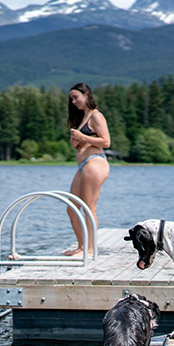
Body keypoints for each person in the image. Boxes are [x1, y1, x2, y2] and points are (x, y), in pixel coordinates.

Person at [65, 83, 111, 257]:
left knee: (88, 207)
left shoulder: (96, 116)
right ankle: (82, 246)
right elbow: (87, 141)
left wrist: (82, 137)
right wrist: (77, 143)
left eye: (76, 97)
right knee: (72, 208)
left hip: (95, 162)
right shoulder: (83, 117)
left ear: (86, 95)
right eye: (71, 99)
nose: (74, 101)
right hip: (84, 165)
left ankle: (90, 249)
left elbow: (106, 142)